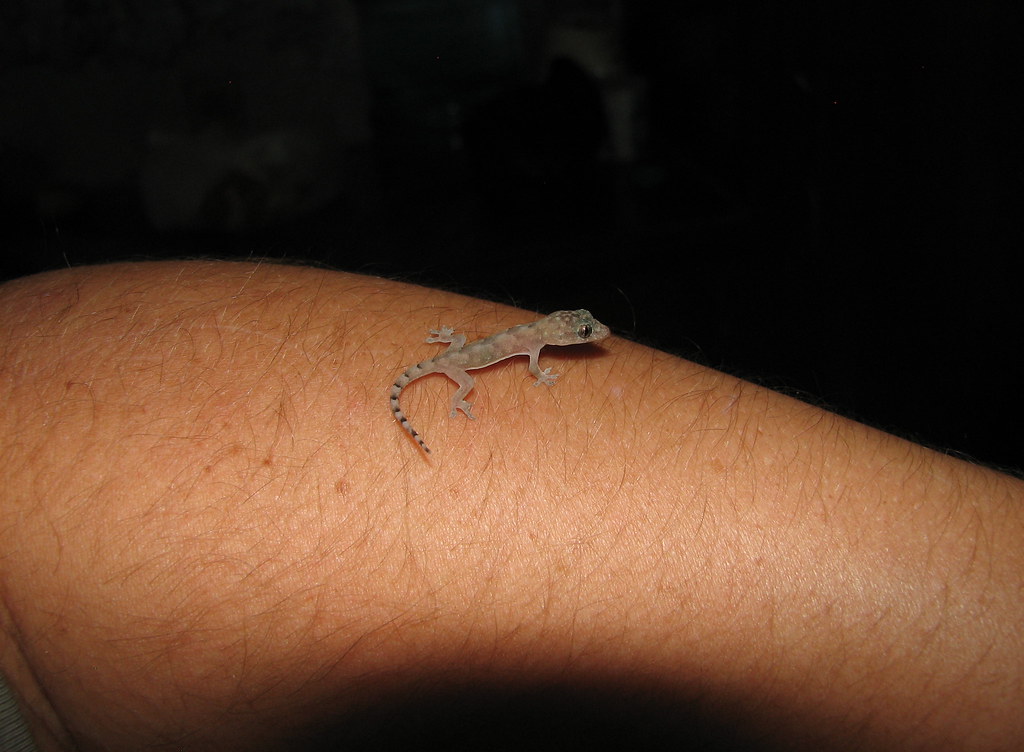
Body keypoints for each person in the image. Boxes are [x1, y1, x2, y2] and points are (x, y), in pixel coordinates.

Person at [0, 260, 1020, 751]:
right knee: (443, 383)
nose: (572, 345)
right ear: (557, 336)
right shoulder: (517, 349)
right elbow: (501, 359)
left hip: (457, 355)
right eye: (571, 339)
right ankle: (416, 410)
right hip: (454, 367)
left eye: (567, 341)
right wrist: (485, 377)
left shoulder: (535, 333)